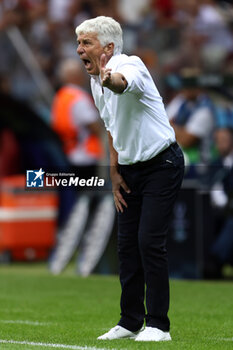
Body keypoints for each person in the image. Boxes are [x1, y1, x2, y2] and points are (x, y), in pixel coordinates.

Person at [75, 16, 184, 342]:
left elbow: (122, 83)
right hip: (130, 169)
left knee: (149, 242)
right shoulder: (95, 81)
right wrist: (114, 168)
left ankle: (159, 326)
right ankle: (130, 320)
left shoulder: (130, 65)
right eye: (79, 43)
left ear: (108, 48)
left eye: (86, 43)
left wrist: (110, 79)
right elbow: (111, 128)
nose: (79, 49)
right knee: (127, 247)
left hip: (162, 163)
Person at [51, 58, 104, 180]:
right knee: (88, 194)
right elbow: (94, 125)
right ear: (76, 76)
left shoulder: (60, 96)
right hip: (85, 155)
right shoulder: (78, 97)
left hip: (67, 153)